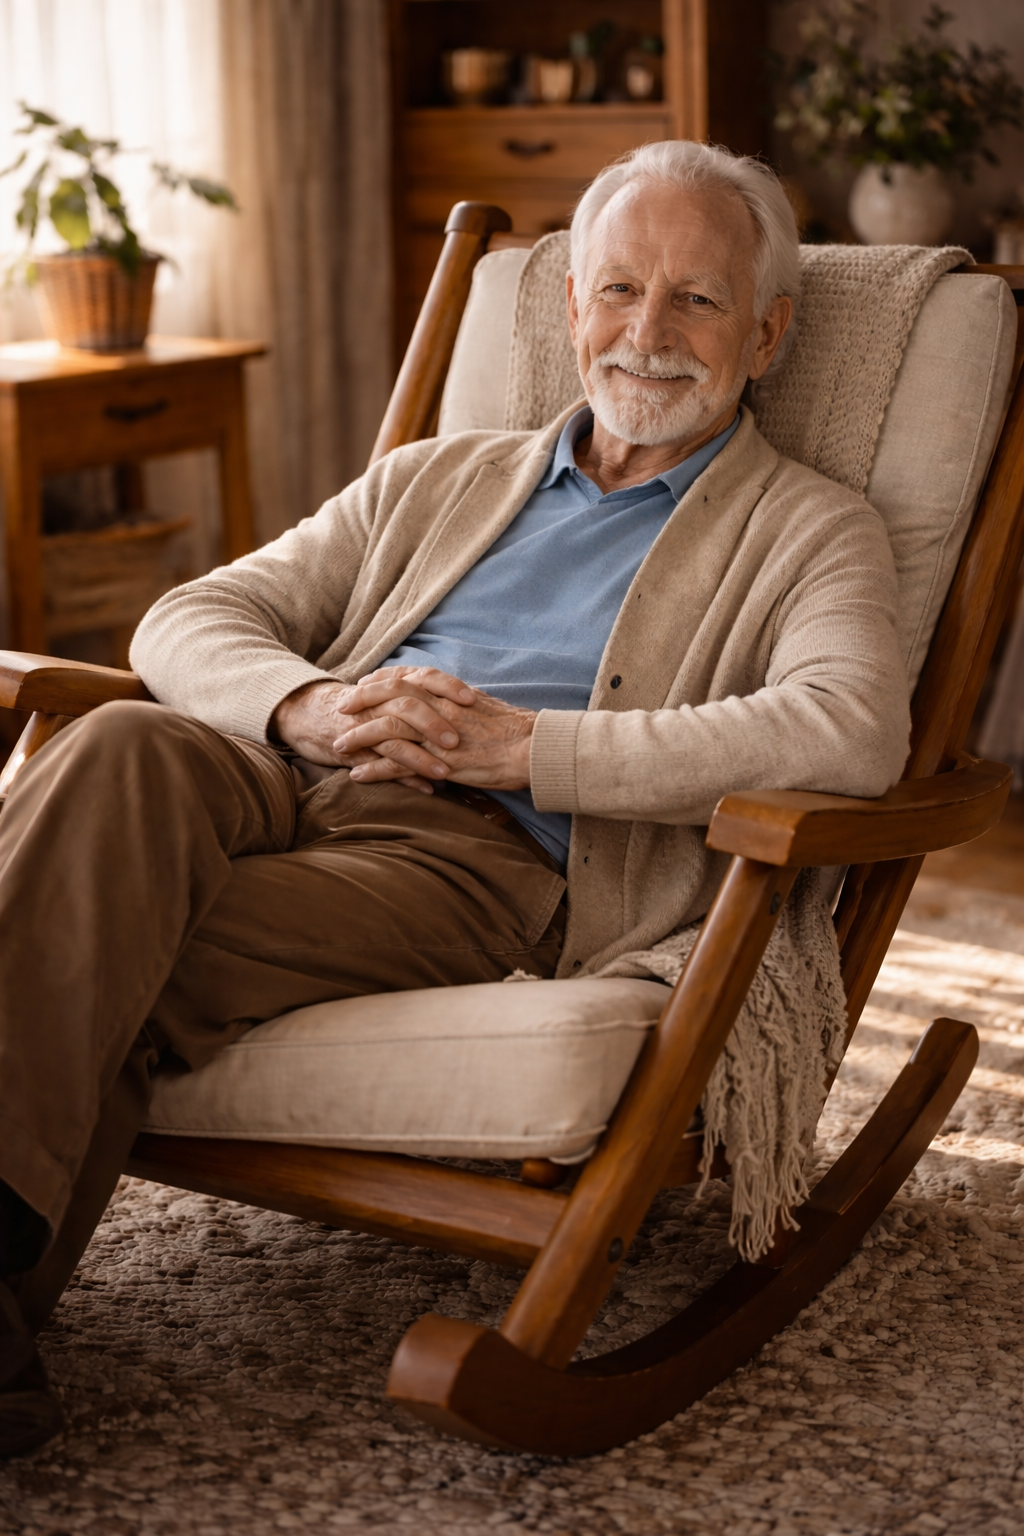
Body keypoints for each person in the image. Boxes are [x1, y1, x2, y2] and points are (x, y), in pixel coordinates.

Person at [0, 140, 909, 1456]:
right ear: (570, 306)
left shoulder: (811, 528)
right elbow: (193, 615)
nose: (647, 333)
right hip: (284, 770)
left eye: (698, 301)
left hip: (472, 859)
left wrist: (530, 752)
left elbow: (849, 729)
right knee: (121, 748)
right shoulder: (442, 473)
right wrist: (306, 704)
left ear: (766, 335)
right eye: (618, 290)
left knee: (84, 926)